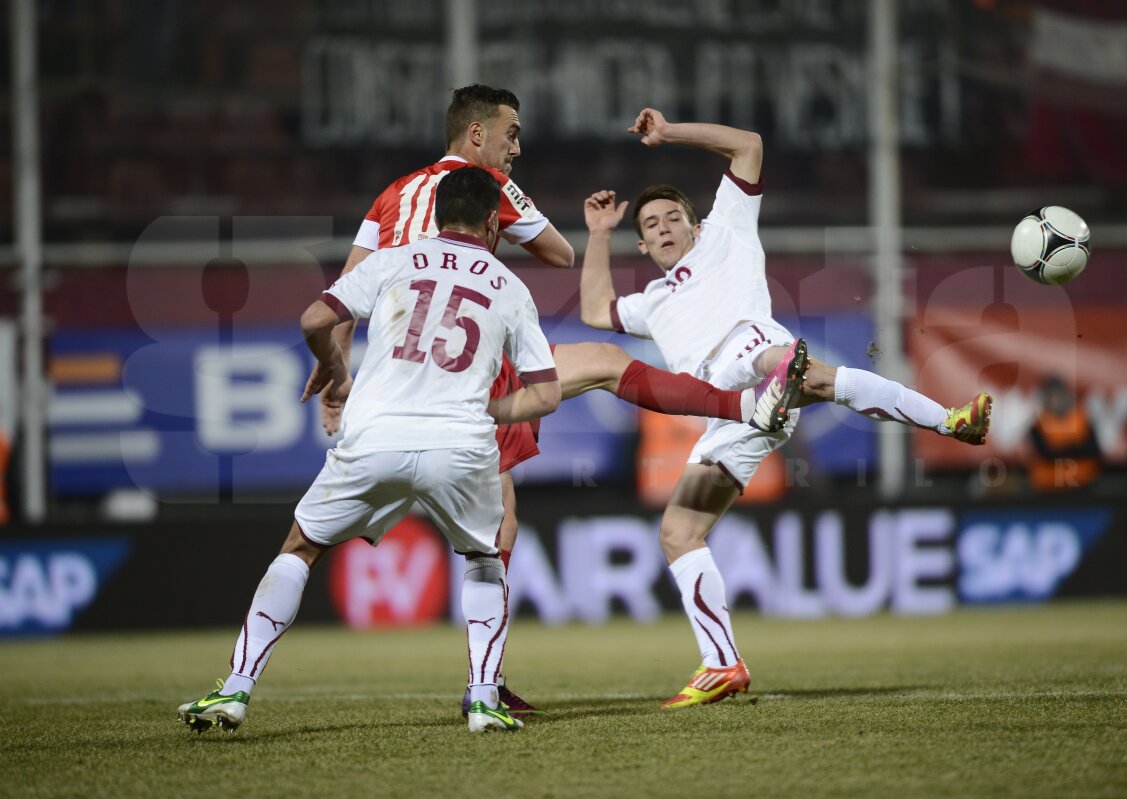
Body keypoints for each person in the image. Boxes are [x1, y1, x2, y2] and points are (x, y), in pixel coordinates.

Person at [313, 85, 781, 716]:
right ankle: (486, 685)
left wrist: (337, 375)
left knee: (313, 538)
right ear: (477, 135)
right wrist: (504, 230)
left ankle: (245, 679)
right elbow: (558, 254)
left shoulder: (390, 196)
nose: (517, 147)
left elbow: (345, 287)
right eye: (511, 134)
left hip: (393, 380)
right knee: (531, 473)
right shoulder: (489, 188)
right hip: (467, 369)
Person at [579, 108, 992, 709]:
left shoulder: (727, 233)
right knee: (677, 532)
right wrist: (595, 233)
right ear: (641, 244)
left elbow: (748, 146)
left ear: (695, 226)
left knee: (777, 357)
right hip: (730, 416)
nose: (666, 227)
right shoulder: (650, 303)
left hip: (755, 360)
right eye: (652, 224)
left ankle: (947, 419)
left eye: (675, 217)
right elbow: (595, 310)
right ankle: (722, 664)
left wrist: (670, 135)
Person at [178, 168, 560, 734]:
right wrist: (490, 409)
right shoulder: (510, 286)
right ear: (491, 221)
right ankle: (483, 699)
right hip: (458, 445)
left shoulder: (393, 261)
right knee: (482, 558)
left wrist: (334, 367)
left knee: (302, 546)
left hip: (375, 435)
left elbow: (314, 319)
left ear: (434, 213)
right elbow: (546, 394)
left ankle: (234, 692)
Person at [1027, 374, 1102, 492]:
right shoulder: (1038, 425)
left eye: (1059, 393)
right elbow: (1046, 454)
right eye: (1051, 395)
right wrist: (1074, 448)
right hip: (1048, 489)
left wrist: (1063, 450)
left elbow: (1094, 451)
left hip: (1083, 486)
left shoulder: (1083, 420)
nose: (1056, 399)